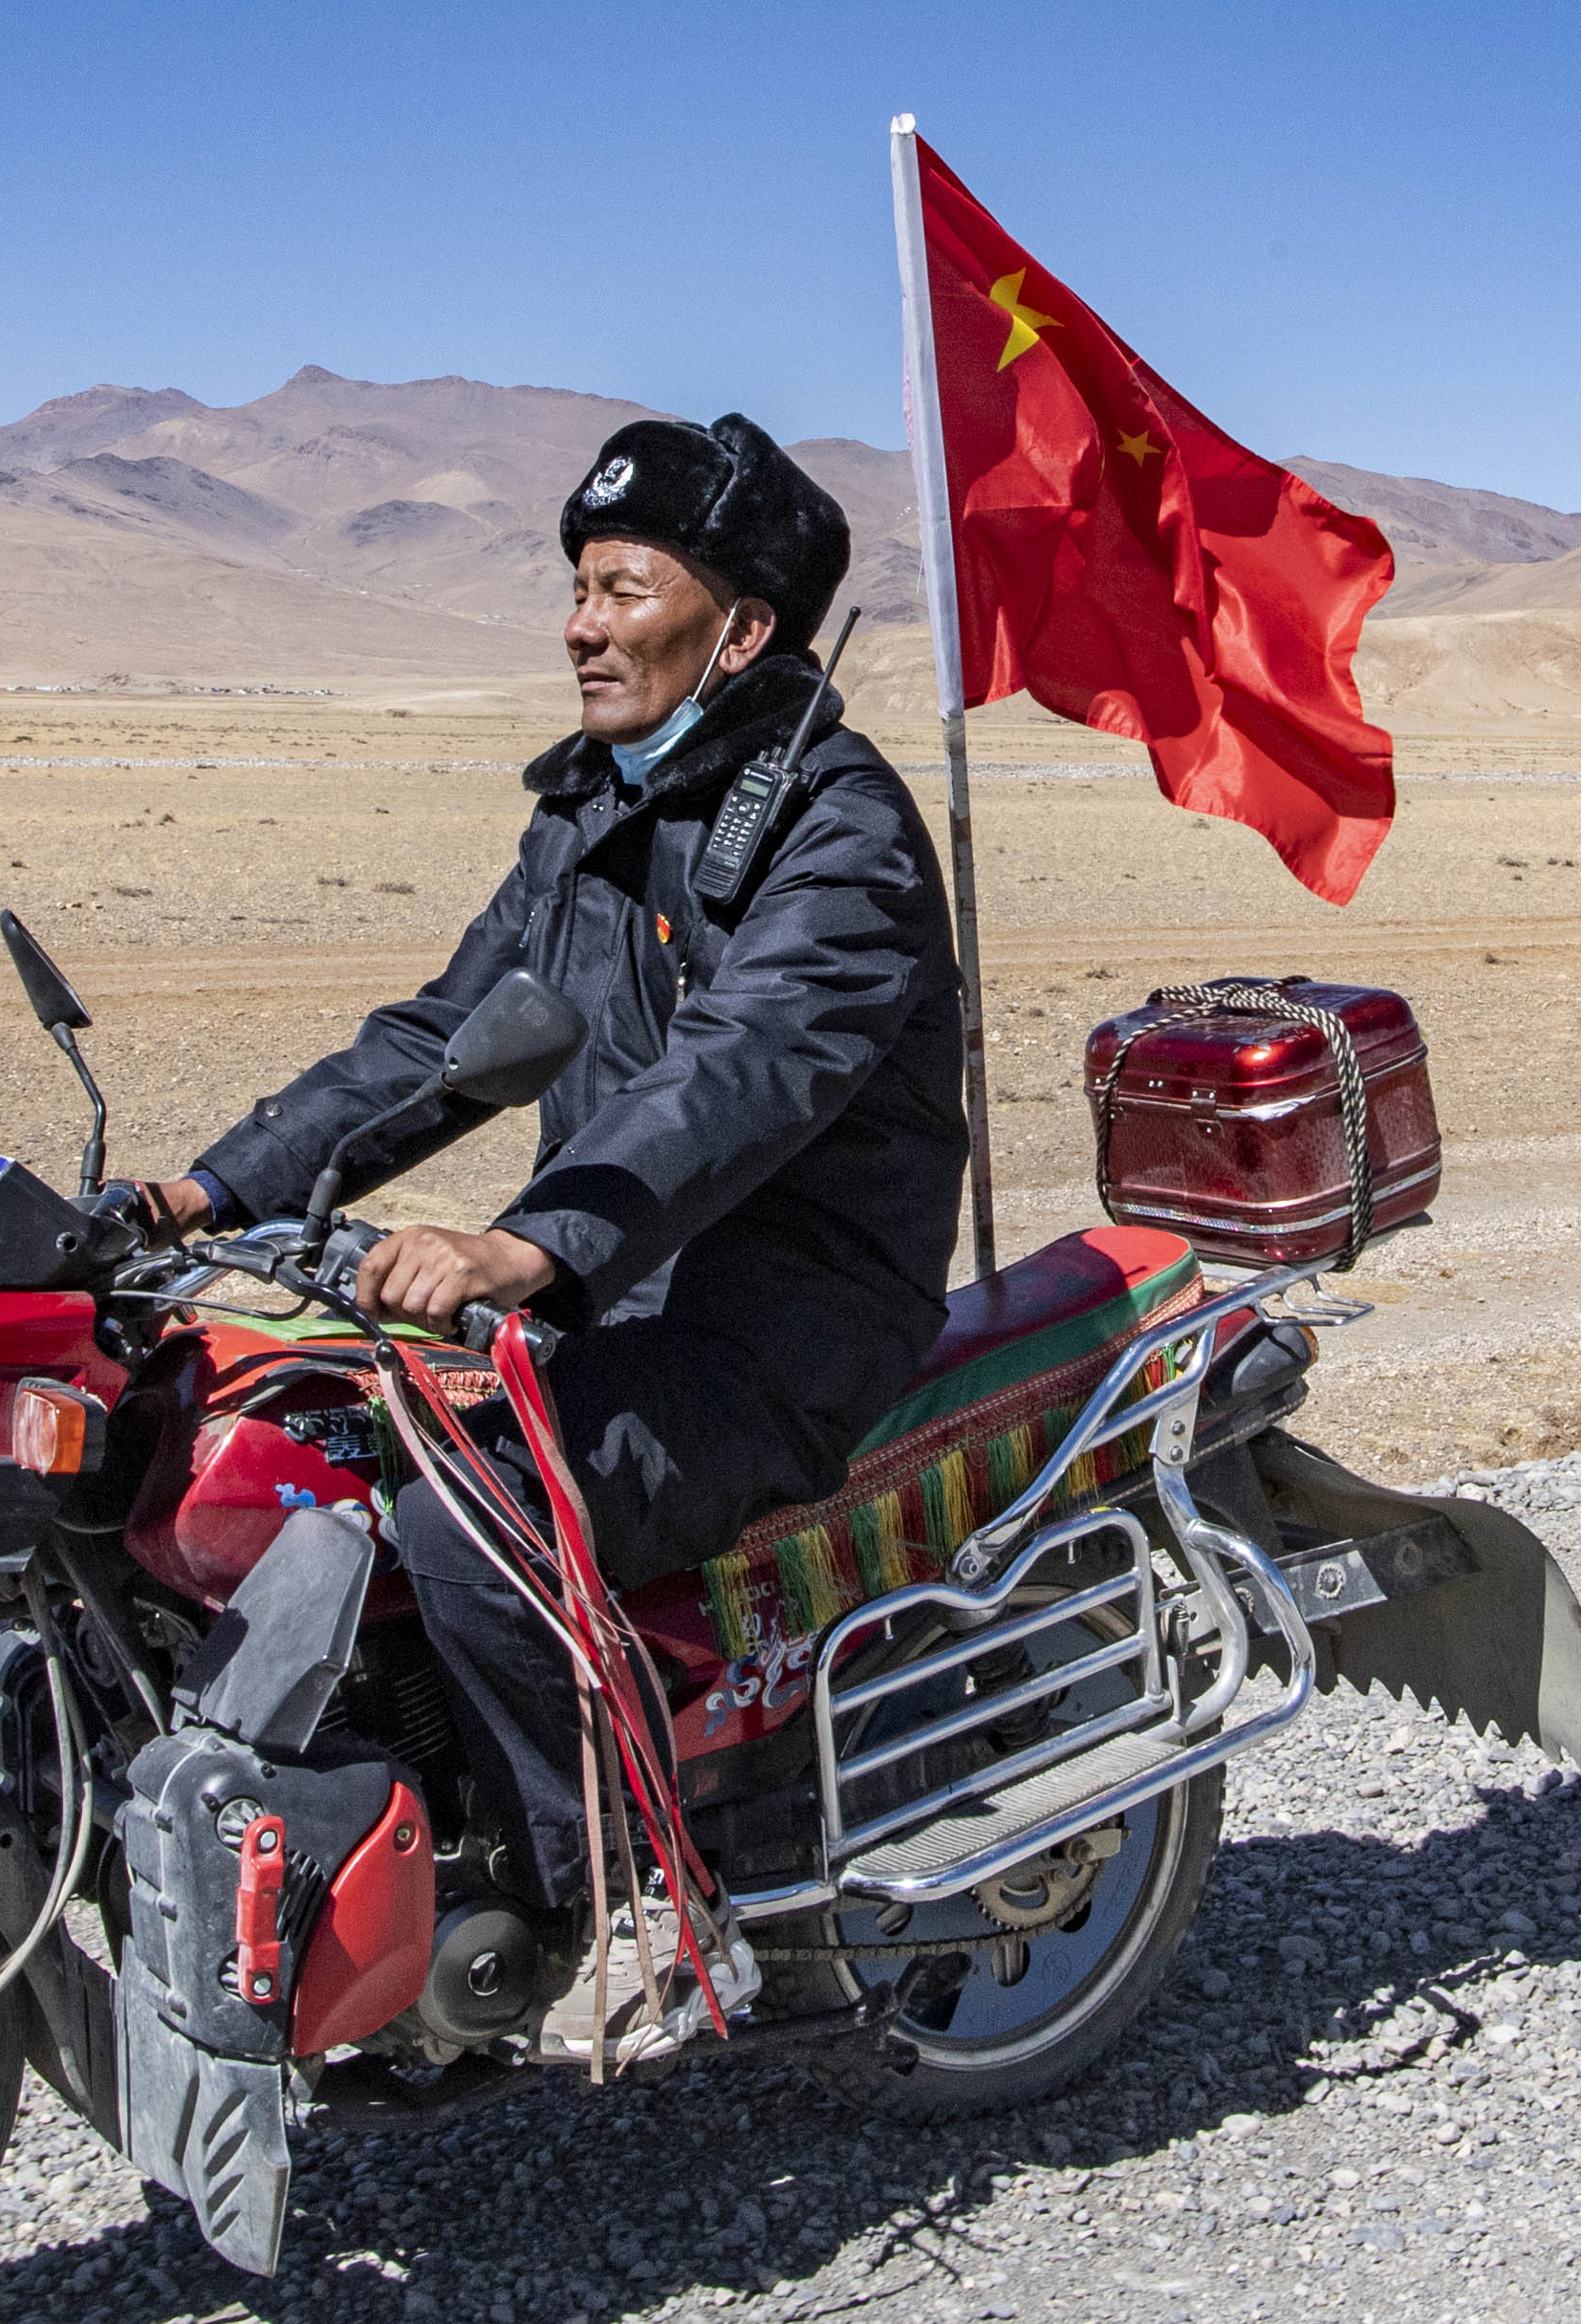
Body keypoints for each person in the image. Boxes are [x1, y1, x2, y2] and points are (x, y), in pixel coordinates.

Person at [135, 414, 967, 1903]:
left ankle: (600, 1890)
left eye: (625, 591)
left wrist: (525, 1246)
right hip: (612, 1298)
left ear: (742, 630)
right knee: (286, 1456)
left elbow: (743, 1069)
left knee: (473, 1524)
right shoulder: (594, 808)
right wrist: (206, 1191)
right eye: (578, 588)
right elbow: (443, 1040)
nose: (581, 626)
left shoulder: (842, 832)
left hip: (783, 1321)